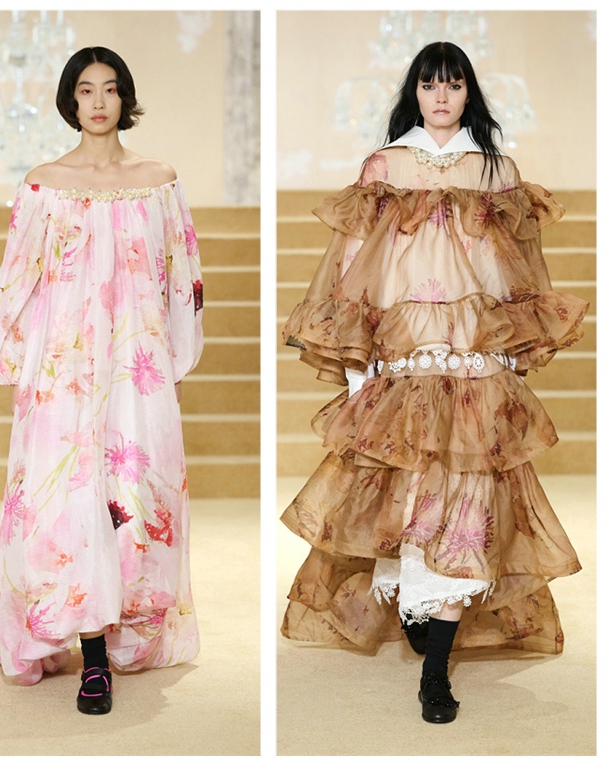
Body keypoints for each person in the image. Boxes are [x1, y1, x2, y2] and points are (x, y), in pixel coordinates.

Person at [280, 41, 587, 724]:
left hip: (475, 360)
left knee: (469, 510)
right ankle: (418, 612)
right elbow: (355, 267)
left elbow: (516, 271)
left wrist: (510, 350)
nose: (441, 96)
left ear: (469, 92)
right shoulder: (385, 166)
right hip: (405, 361)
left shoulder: (496, 171)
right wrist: (360, 365)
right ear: (414, 93)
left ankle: (436, 671)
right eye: (429, 84)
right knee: (407, 502)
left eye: (452, 84)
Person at [0, 46, 204, 715]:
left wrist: (174, 362)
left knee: (132, 499)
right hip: (62, 369)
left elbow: (182, 275)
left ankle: (120, 626)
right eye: (85, 89)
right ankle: (92, 656)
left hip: (137, 365)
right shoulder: (43, 183)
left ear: (124, 97)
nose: (98, 101)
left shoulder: (159, 181)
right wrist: (16, 362)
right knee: (68, 501)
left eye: (109, 88)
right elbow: (17, 276)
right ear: (70, 100)